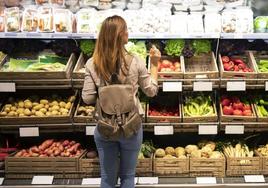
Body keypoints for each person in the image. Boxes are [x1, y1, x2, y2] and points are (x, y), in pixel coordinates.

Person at [82, 15, 160, 188]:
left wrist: (105, 94)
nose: (128, 32)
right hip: (131, 127)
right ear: (121, 36)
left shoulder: (92, 64)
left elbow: (87, 98)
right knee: (128, 176)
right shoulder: (136, 61)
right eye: (125, 29)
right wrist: (154, 64)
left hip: (105, 127)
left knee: (107, 178)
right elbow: (151, 91)